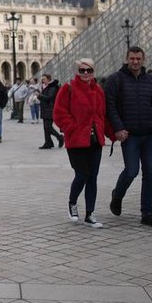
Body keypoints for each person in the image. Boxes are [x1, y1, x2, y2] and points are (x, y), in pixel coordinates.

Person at [105, 46, 152, 228]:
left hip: (149, 134)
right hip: (129, 134)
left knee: (150, 174)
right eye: (132, 58)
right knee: (131, 171)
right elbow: (110, 106)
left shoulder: (151, 80)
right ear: (127, 58)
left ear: (143, 59)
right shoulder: (116, 79)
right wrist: (118, 128)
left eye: (138, 58)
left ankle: (147, 213)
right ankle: (117, 195)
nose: (135, 61)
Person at [53, 59, 108, 228]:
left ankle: (90, 214)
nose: (85, 73)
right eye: (82, 70)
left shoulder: (98, 90)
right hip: (76, 140)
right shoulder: (68, 88)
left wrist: (112, 133)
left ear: (93, 71)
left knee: (93, 177)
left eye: (89, 70)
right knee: (82, 174)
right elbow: (59, 113)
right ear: (77, 71)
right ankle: (72, 203)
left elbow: (102, 114)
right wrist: (72, 128)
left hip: (95, 140)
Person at [38, 74, 64, 149]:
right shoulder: (46, 86)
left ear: (49, 79)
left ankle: (60, 137)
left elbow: (50, 97)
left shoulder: (52, 87)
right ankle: (48, 142)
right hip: (45, 109)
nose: (43, 81)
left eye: (44, 79)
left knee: (48, 127)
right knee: (45, 127)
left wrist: (39, 96)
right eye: (42, 79)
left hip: (50, 109)